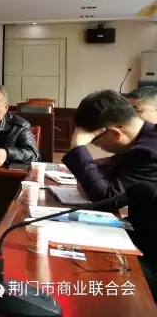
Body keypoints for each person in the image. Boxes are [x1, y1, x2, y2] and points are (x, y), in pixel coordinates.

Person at [62, 90, 157, 301]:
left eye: (95, 143)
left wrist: (78, 146)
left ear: (114, 133)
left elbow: (105, 198)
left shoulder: (149, 152)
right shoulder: (146, 138)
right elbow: (106, 173)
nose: (99, 148)